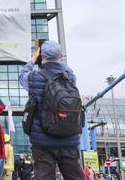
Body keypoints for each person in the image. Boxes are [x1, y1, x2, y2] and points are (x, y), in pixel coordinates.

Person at [19, 40, 84, 179]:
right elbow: (66, 69)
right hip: (69, 139)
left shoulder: (33, 78)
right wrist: (60, 60)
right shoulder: (70, 77)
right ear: (60, 56)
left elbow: (22, 75)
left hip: (43, 142)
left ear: (42, 56)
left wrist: (32, 59)